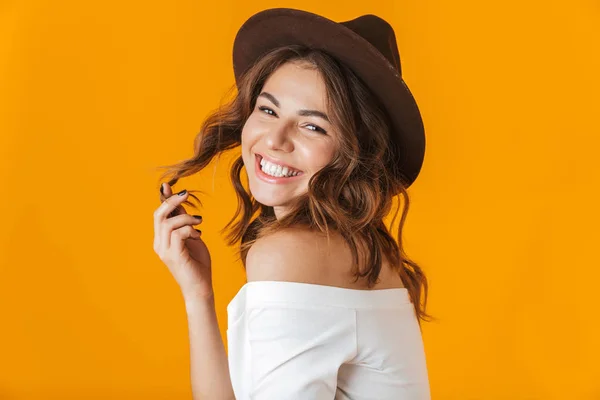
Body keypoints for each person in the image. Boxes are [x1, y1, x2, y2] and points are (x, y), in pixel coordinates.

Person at [153, 7, 434, 400]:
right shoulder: (356, 250)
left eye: (313, 125)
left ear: (356, 153)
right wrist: (198, 296)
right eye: (268, 110)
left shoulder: (293, 253)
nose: (275, 140)